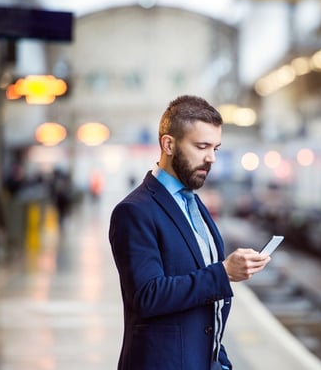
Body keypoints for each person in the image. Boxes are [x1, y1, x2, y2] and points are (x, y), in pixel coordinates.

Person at [109, 95, 271, 370]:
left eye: (216, 148)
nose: (211, 158)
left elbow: (209, 309)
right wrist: (224, 273)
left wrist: (220, 361)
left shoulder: (194, 203)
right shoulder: (135, 211)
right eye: (201, 146)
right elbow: (148, 296)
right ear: (168, 144)